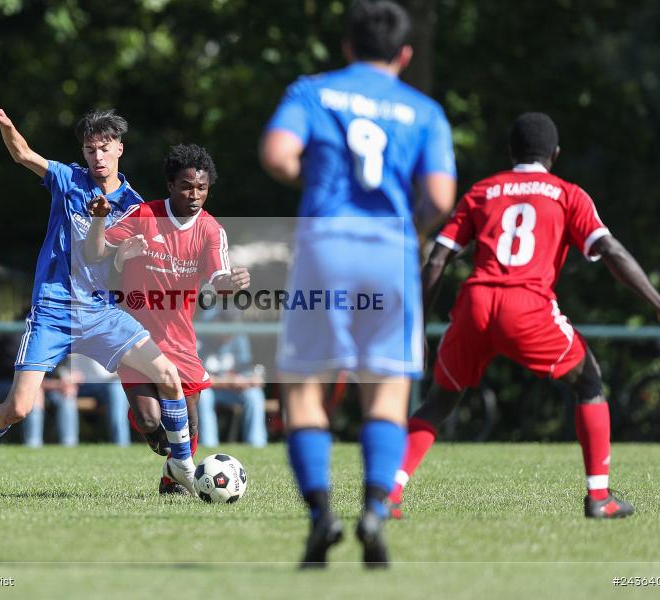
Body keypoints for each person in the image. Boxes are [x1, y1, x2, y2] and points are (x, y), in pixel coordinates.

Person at [389, 111, 660, 519]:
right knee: (588, 380)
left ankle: (388, 494)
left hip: (476, 303)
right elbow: (612, 252)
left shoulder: (483, 190)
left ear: (511, 152)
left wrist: (415, 325)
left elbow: (437, 259)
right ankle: (599, 498)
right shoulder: (567, 194)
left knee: (440, 400)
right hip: (526, 306)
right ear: (556, 154)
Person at [259, 0, 456, 568]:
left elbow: (276, 154)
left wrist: (314, 180)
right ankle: (373, 509)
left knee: (302, 388)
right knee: (387, 391)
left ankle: (322, 516)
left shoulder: (312, 92)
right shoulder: (425, 111)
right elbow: (441, 198)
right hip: (391, 253)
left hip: (325, 250)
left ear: (346, 46)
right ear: (404, 53)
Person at [0, 107, 196, 498]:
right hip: (53, 311)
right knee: (16, 408)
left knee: (169, 377)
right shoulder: (68, 179)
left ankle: (183, 467)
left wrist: (128, 254)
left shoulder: (133, 205)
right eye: (89, 149)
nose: (96, 157)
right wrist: (9, 127)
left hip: (101, 313)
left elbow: (106, 262)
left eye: (103, 149)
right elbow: (24, 155)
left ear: (119, 148)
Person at [85, 144, 250, 494]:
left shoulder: (210, 231)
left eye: (202, 188)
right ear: (171, 185)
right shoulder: (144, 215)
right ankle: (159, 442)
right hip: (133, 338)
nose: (195, 194)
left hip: (179, 342)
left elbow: (219, 277)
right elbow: (94, 252)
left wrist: (230, 283)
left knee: (188, 426)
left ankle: (170, 479)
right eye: (187, 186)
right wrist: (101, 225)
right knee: (151, 423)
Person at [197, 331, 268, 448]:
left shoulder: (240, 338)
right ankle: (208, 444)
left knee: (254, 395)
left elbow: (248, 371)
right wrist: (226, 381)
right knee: (203, 395)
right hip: (212, 389)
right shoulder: (203, 339)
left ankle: (257, 444)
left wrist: (250, 379)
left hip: (234, 391)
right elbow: (197, 378)